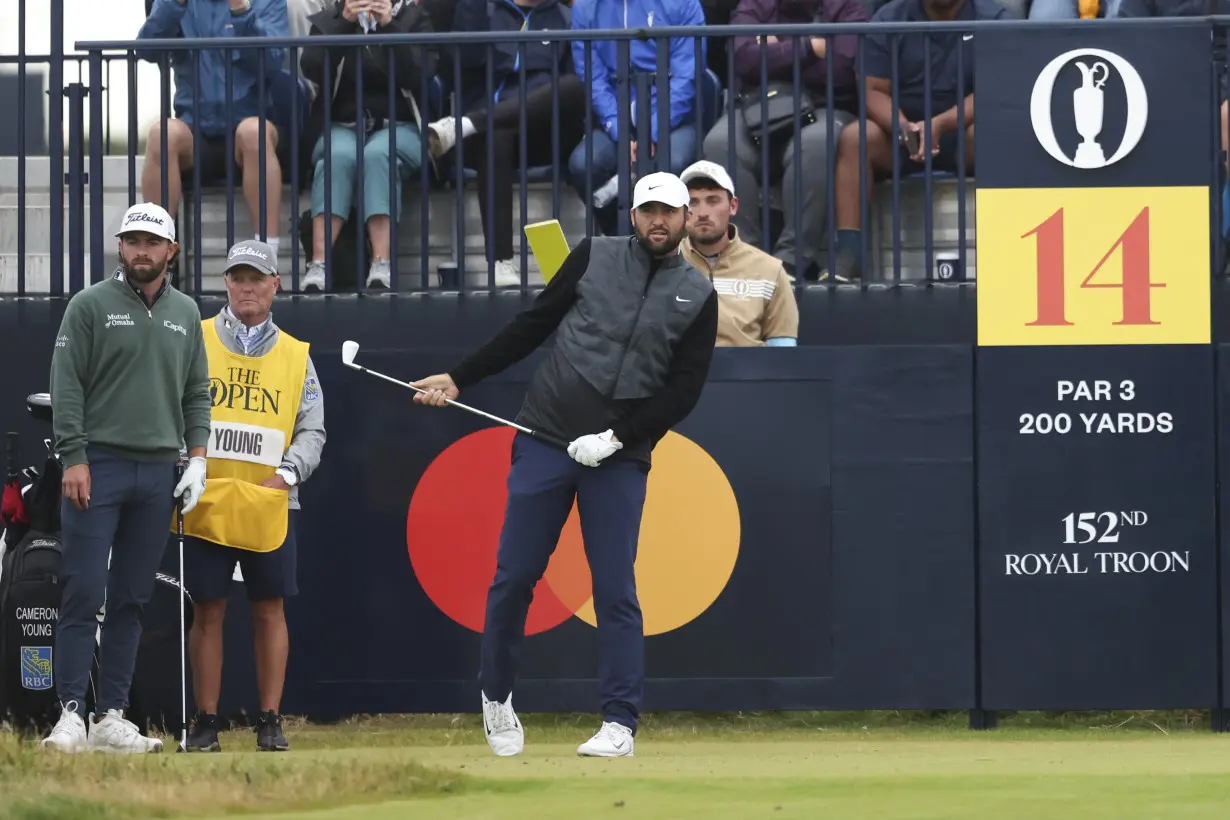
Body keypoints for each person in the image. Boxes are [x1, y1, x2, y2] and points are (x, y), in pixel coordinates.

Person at [410, 172, 718, 758]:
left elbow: (684, 390)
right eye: (649, 210)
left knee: (615, 589)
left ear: (685, 220)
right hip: (546, 436)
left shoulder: (698, 295)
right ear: (632, 216)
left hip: (620, 456)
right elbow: (532, 326)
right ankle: (496, 696)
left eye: (670, 212)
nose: (659, 221)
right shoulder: (592, 256)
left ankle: (619, 723)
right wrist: (459, 377)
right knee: (515, 577)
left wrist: (617, 437)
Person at [41, 203, 212, 754]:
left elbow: (195, 393)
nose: (142, 250)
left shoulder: (186, 313)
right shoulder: (89, 305)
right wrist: (73, 457)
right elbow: (66, 385)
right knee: (83, 591)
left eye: (152, 242)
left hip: (159, 470)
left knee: (132, 598)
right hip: (99, 466)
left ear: (171, 252)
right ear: (120, 247)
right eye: (132, 240)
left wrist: (199, 458)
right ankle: (69, 714)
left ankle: (110, 715)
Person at [179, 240, 326, 753]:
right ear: (225, 283)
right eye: (238, 276)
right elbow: (172, 409)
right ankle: (206, 722)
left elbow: (313, 431)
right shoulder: (193, 341)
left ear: (275, 286)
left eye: (257, 278)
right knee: (208, 610)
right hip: (208, 501)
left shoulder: (296, 355)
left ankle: (270, 720)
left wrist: (286, 476)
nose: (247, 286)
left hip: (271, 504)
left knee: (269, 608)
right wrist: (186, 463)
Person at [828, 0, 1004, 282]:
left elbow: (995, 87)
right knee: (855, 137)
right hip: (900, 138)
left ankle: (1004, 248)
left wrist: (942, 123)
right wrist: (903, 128)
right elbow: (872, 89)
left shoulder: (995, 18)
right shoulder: (889, 19)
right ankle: (848, 256)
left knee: (995, 134)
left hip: (964, 133)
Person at [426, 0, 586, 287]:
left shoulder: (565, 18)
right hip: (486, 142)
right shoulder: (483, 10)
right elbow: (461, 61)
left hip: (540, 134)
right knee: (496, 137)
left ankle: (471, 121)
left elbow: (572, 88)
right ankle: (500, 261)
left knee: (575, 85)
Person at [701, 0, 864, 280]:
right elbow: (743, 59)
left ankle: (790, 262)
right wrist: (809, 48)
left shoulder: (847, 6)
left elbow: (840, 70)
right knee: (719, 142)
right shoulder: (755, 5)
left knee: (813, 145)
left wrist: (775, 51)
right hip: (760, 105)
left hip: (824, 105)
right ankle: (744, 260)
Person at [299, 0, 437, 291]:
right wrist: (343, 26)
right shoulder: (329, 20)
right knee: (338, 157)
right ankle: (319, 265)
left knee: (378, 154)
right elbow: (311, 68)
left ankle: (381, 264)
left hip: (401, 127)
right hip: (342, 127)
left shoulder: (414, 18)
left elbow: (418, 75)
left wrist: (390, 27)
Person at [138, 0, 291, 257]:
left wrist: (242, 11)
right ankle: (157, 256)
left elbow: (273, 60)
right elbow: (148, 48)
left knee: (254, 133)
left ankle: (266, 256)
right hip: (196, 130)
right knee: (161, 134)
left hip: (251, 126)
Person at [567, 0, 707, 237]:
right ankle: (623, 241)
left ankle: (668, 249)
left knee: (671, 164)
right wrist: (620, 131)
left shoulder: (683, 3)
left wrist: (653, 130)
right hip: (617, 119)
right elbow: (593, 79)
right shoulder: (585, 7)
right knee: (584, 164)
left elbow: (688, 76)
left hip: (672, 119)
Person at [679, 161, 799, 346]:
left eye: (713, 201)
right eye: (693, 202)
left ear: (733, 206)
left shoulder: (769, 270)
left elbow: (782, 358)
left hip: (749, 373)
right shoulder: (660, 265)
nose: (702, 213)